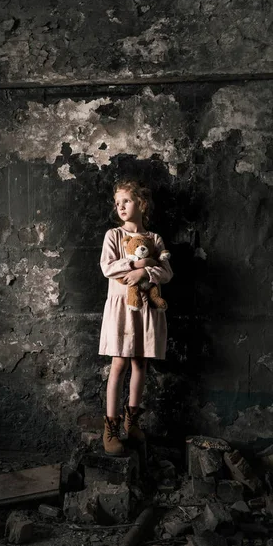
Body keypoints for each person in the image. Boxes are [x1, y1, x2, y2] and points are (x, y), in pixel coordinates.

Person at [99, 179, 174, 456]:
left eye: (126, 201)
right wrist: (138, 263)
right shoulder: (113, 236)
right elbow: (108, 267)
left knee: (140, 363)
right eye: (117, 203)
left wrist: (145, 273)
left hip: (146, 308)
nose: (120, 206)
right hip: (122, 307)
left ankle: (132, 422)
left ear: (140, 203)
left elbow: (166, 273)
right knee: (118, 363)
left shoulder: (154, 239)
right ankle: (111, 427)